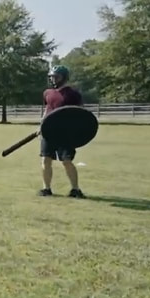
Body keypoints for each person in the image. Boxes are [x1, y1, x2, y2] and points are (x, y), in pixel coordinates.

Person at [40, 65, 85, 198]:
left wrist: (77, 130)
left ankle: (75, 189)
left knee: (66, 161)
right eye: (51, 77)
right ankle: (46, 189)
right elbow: (47, 109)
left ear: (64, 77)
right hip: (48, 131)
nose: (53, 79)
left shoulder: (73, 94)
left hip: (65, 133)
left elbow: (80, 113)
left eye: (56, 77)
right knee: (46, 160)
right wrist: (41, 125)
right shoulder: (47, 93)